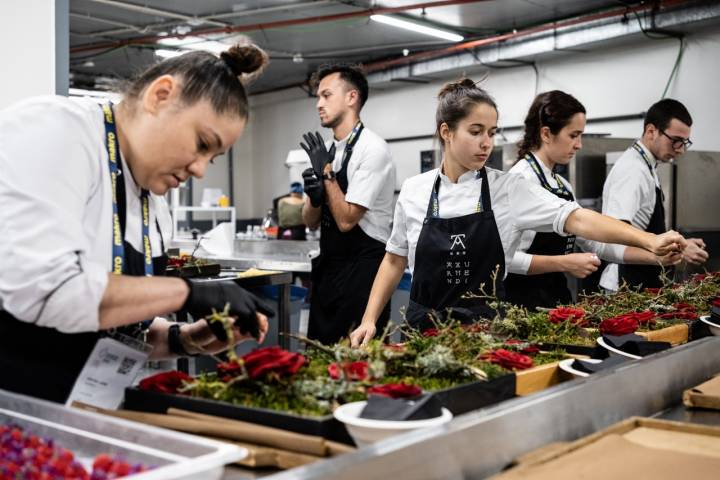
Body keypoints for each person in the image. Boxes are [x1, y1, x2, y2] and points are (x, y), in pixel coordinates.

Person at [0, 44, 274, 403]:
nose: (200, 169)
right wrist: (188, 293)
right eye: (202, 143)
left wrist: (184, 339)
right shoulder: (59, 131)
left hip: (74, 415)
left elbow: (113, 330)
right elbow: (52, 293)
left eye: (214, 157)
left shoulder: (151, 201)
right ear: (161, 96)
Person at [350, 79, 686, 347]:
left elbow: (577, 218)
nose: (486, 143)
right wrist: (368, 319)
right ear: (446, 132)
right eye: (476, 131)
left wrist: (648, 240)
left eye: (492, 133)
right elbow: (394, 259)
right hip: (421, 331)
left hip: (484, 333)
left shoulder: (507, 189)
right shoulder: (414, 190)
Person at [504, 91, 681, 310]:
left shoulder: (562, 185)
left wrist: (655, 256)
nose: (579, 144)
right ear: (547, 134)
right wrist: (563, 263)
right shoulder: (521, 179)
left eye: (581, 136)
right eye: (573, 135)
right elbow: (506, 260)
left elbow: (598, 245)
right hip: (520, 304)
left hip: (555, 299)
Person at [300, 63, 396, 345]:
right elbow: (310, 221)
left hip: (363, 273)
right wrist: (314, 197)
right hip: (330, 270)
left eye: (326, 95)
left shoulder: (372, 149)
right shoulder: (328, 149)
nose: (319, 104)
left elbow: (346, 220)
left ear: (351, 97)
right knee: (320, 355)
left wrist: (327, 175)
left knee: (359, 363)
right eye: (318, 97)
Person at [600, 98, 708, 291]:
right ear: (651, 131)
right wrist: (679, 249)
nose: (681, 150)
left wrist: (678, 243)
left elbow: (643, 230)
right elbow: (615, 235)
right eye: (675, 141)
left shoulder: (646, 166)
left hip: (642, 280)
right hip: (625, 286)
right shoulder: (632, 170)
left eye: (684, 142)